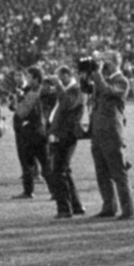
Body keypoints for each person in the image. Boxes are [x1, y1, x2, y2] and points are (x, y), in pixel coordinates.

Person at [87, 52, 133, 220]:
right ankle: (109, 206)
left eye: (105, 60)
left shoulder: (122, 81)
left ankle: (127, 210)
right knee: (102, 174)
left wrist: (98, 73)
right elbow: (90, 92)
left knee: (118, 173)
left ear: (114, 62)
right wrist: (87, 76)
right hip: (98, 132)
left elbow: (107, 91)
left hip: (112, 133)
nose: (102, 63)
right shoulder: (102, 79)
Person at [46, 65, 86, 219]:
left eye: (60, 77)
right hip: (61, 135)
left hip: (67, 135)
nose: (58, 81)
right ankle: (76, 206)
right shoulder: (68, 90)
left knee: (58, 172)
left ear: (66, 75)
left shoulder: (75, 90)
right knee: (65, 171)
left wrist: (58, 85)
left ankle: (64, 209)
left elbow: (67, 104)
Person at [11, 67, 50, 199]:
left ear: (35, 78)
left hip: (35, 132)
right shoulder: (37, 90)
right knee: (37, 163)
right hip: (34, 131)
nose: (26, 79)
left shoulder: (38, 91)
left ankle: (52, 191)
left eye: (28, 76)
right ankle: (32, 191)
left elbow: (22, 111)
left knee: (39, 163)